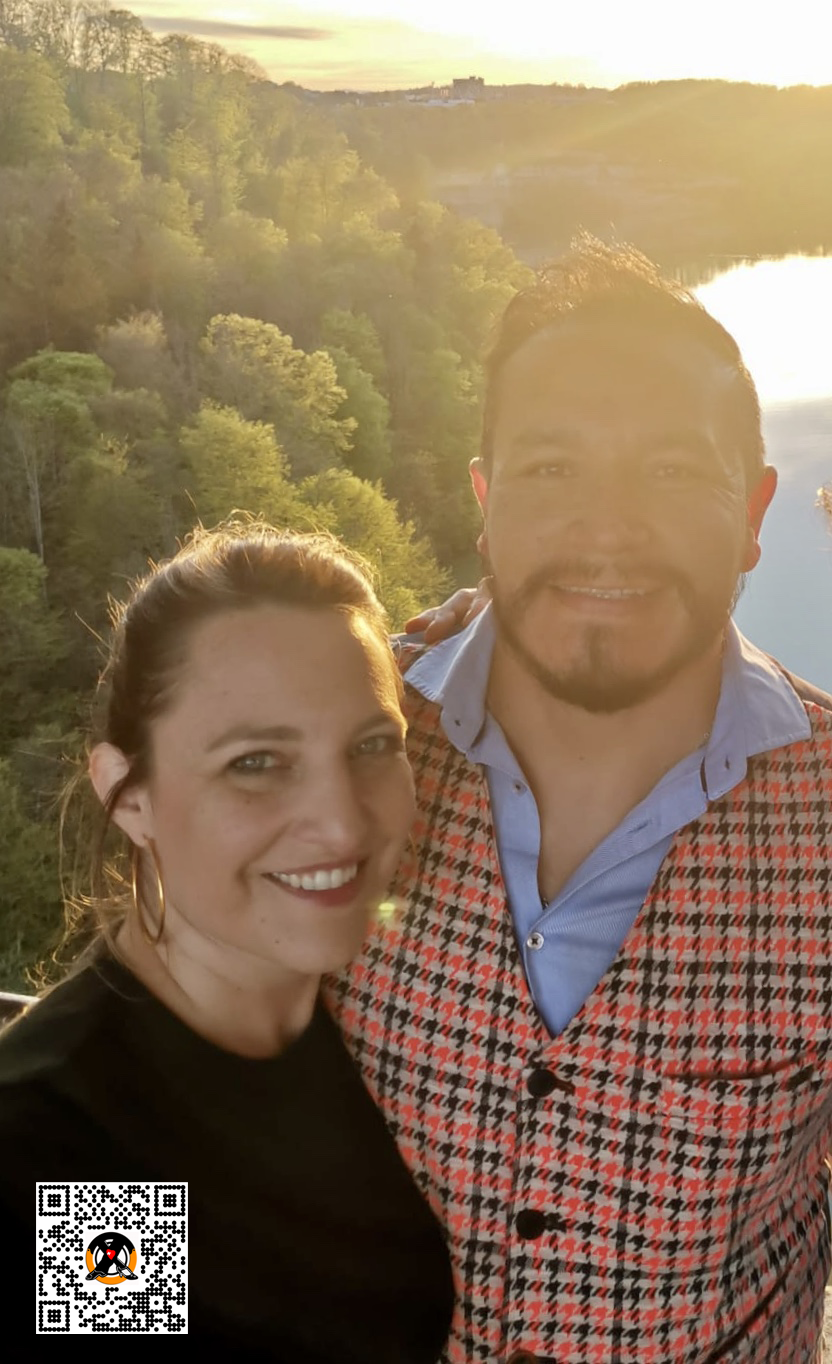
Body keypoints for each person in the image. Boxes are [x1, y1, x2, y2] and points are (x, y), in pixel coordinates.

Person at [326, 239, 832, 1363]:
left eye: (672, 471)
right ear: (485, 499)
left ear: (754, 513)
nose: (608, 529)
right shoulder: (330, 740)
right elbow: (132, 1069)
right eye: (553, 469)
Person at [0, 523, 454, 1359]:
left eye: (371, 745)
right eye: (255, 762)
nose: (342, 822)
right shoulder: (75, 1142)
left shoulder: (366, 1018)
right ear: (128, 795)